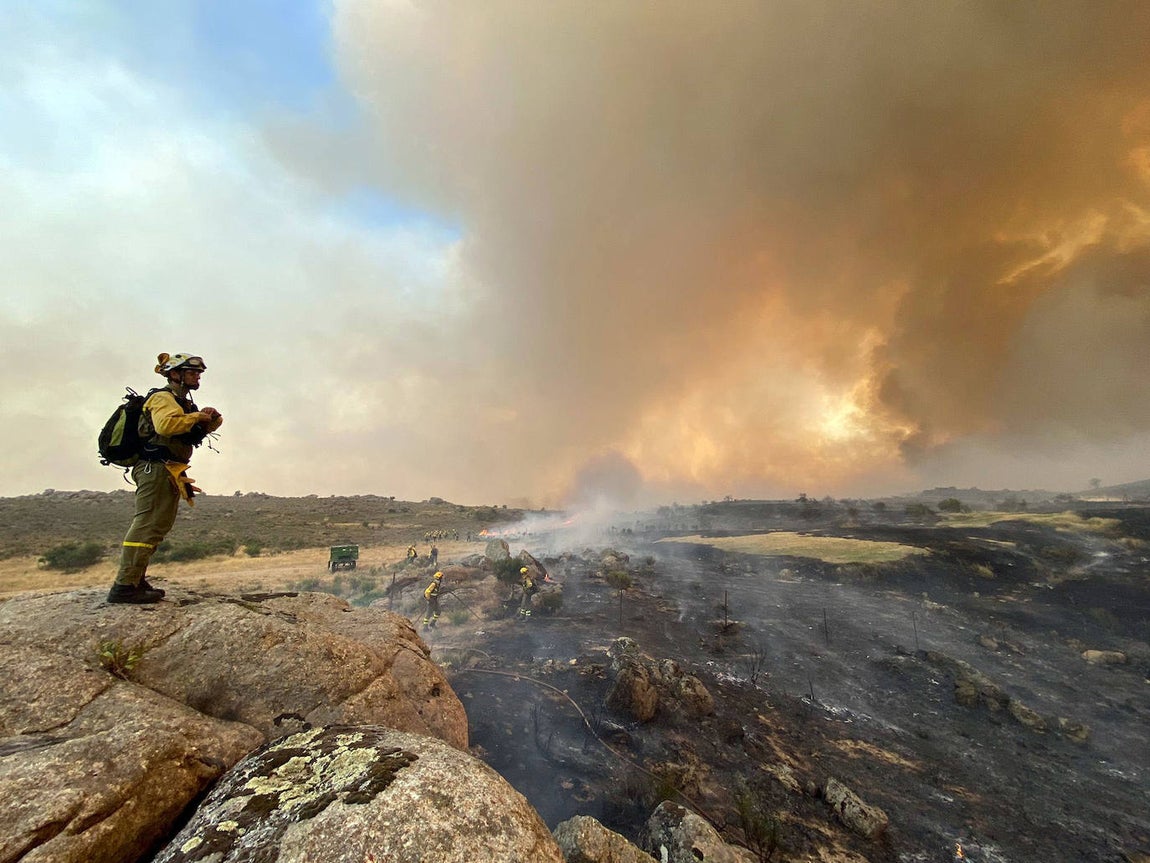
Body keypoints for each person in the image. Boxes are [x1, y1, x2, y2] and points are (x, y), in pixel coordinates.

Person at [107, 353, 223, 604]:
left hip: (169, 469)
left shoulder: (181, 403)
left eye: (198, 373)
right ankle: (124, 586)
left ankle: (135, 580)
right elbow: (166, 426)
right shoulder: (163, 398)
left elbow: (187, 433)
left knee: (157, 526)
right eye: (192, 373)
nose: (197, 377)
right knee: (148, 524)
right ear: (174, 374)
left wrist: (210, 419)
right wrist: (196, 417)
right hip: (155, 467)